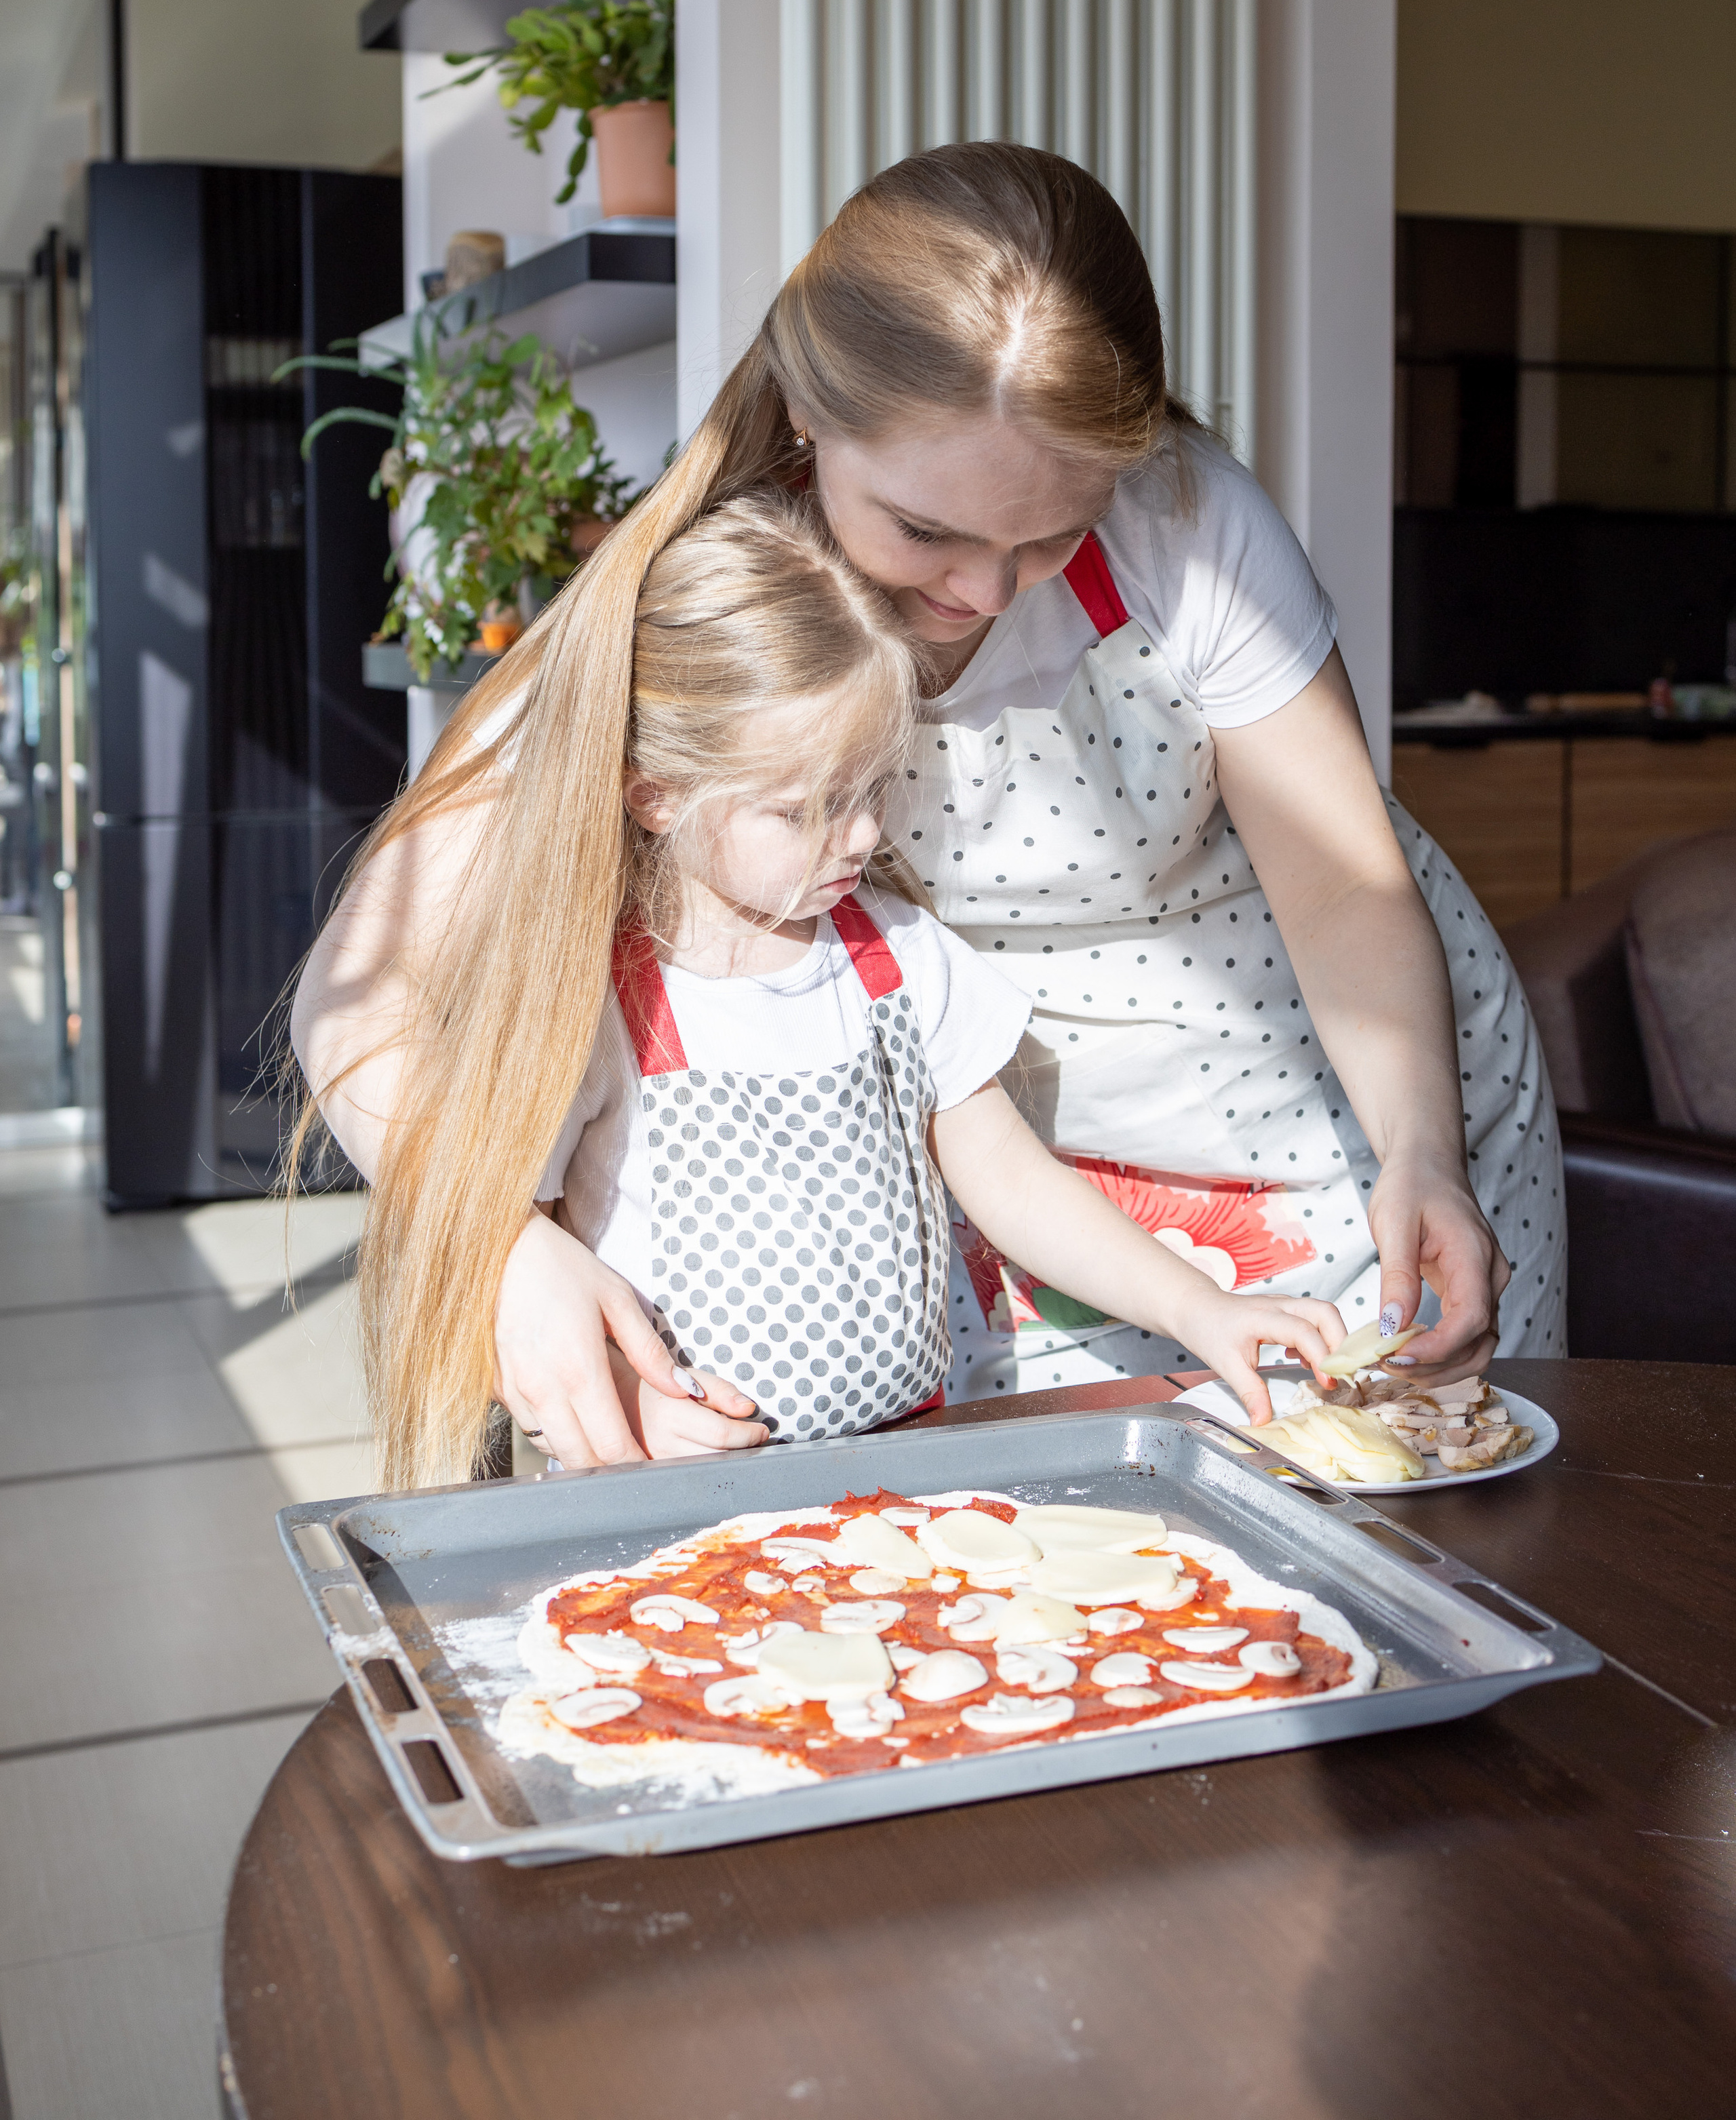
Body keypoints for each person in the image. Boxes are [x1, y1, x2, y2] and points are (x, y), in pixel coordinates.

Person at [294, 141, 1562, 1478]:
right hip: (1024, 1175)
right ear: (805, 418)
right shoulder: (703, 594)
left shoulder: (1186, 523)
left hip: (1344, 1118)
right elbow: (359, 996)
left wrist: (1417, 1149)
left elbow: (1340, 893)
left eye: (1048, 537)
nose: (983, 590)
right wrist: (499, 1250)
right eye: (921, 532)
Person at [292, 492, 1343, 1485]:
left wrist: (1197, 1307)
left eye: (872, 788)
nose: (863, 836)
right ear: (656, 798)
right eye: (801, 810)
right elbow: (522, 1267)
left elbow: (1015, 1187)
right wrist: (629, 1410)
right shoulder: (601, 1008)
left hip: (906, 1472)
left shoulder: (902, 958)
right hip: (668, 1485)